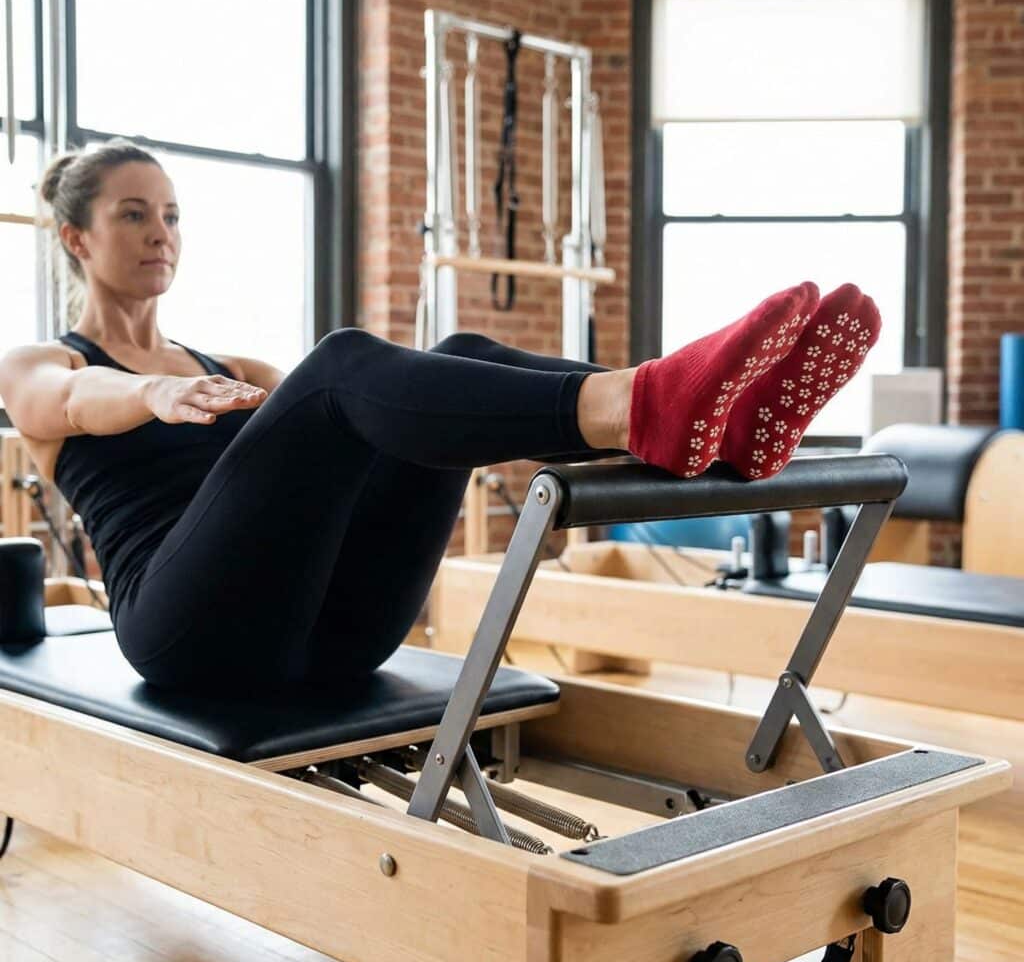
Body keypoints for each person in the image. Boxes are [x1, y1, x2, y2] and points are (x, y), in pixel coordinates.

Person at [0, 140, 880, 693]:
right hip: (190, 639)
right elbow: (71, 401)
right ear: (77, 238)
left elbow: (372, 419)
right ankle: (652, 404)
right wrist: (151, 394)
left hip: (339, 632)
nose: (162, 233)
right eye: (133, 215)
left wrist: (198, 387)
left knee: (449, 356)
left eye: (173, 216)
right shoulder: (46, 364)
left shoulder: (232, 371)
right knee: (342, 364)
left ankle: (704, 428)